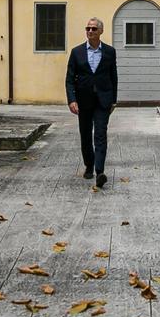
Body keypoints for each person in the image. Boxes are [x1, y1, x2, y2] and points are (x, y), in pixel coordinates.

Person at [65, 17, 118, 189]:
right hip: (83, 101)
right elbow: (69, 79)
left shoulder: (110, 52)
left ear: (101, 31)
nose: (90, 31)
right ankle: (89, 164)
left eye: (94, 29)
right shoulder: (76, 52)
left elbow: (113, 77)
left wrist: (114, 100)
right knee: (86, 135)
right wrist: (72, 100)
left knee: (100, 134)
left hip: (103, 100)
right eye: (87, 28)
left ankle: (100, 171)